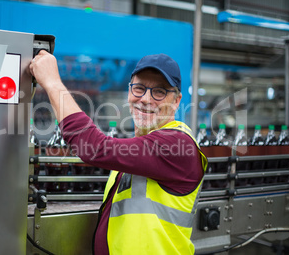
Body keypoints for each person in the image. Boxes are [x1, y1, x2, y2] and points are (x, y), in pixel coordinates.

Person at [30, 52, 208, 255]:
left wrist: (52, 83)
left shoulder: (177, 144)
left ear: (177, 101)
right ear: (129, 92)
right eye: (139, 88)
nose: (146, 99)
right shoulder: (137, 148)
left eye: (159, 92)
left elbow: (93, 147)